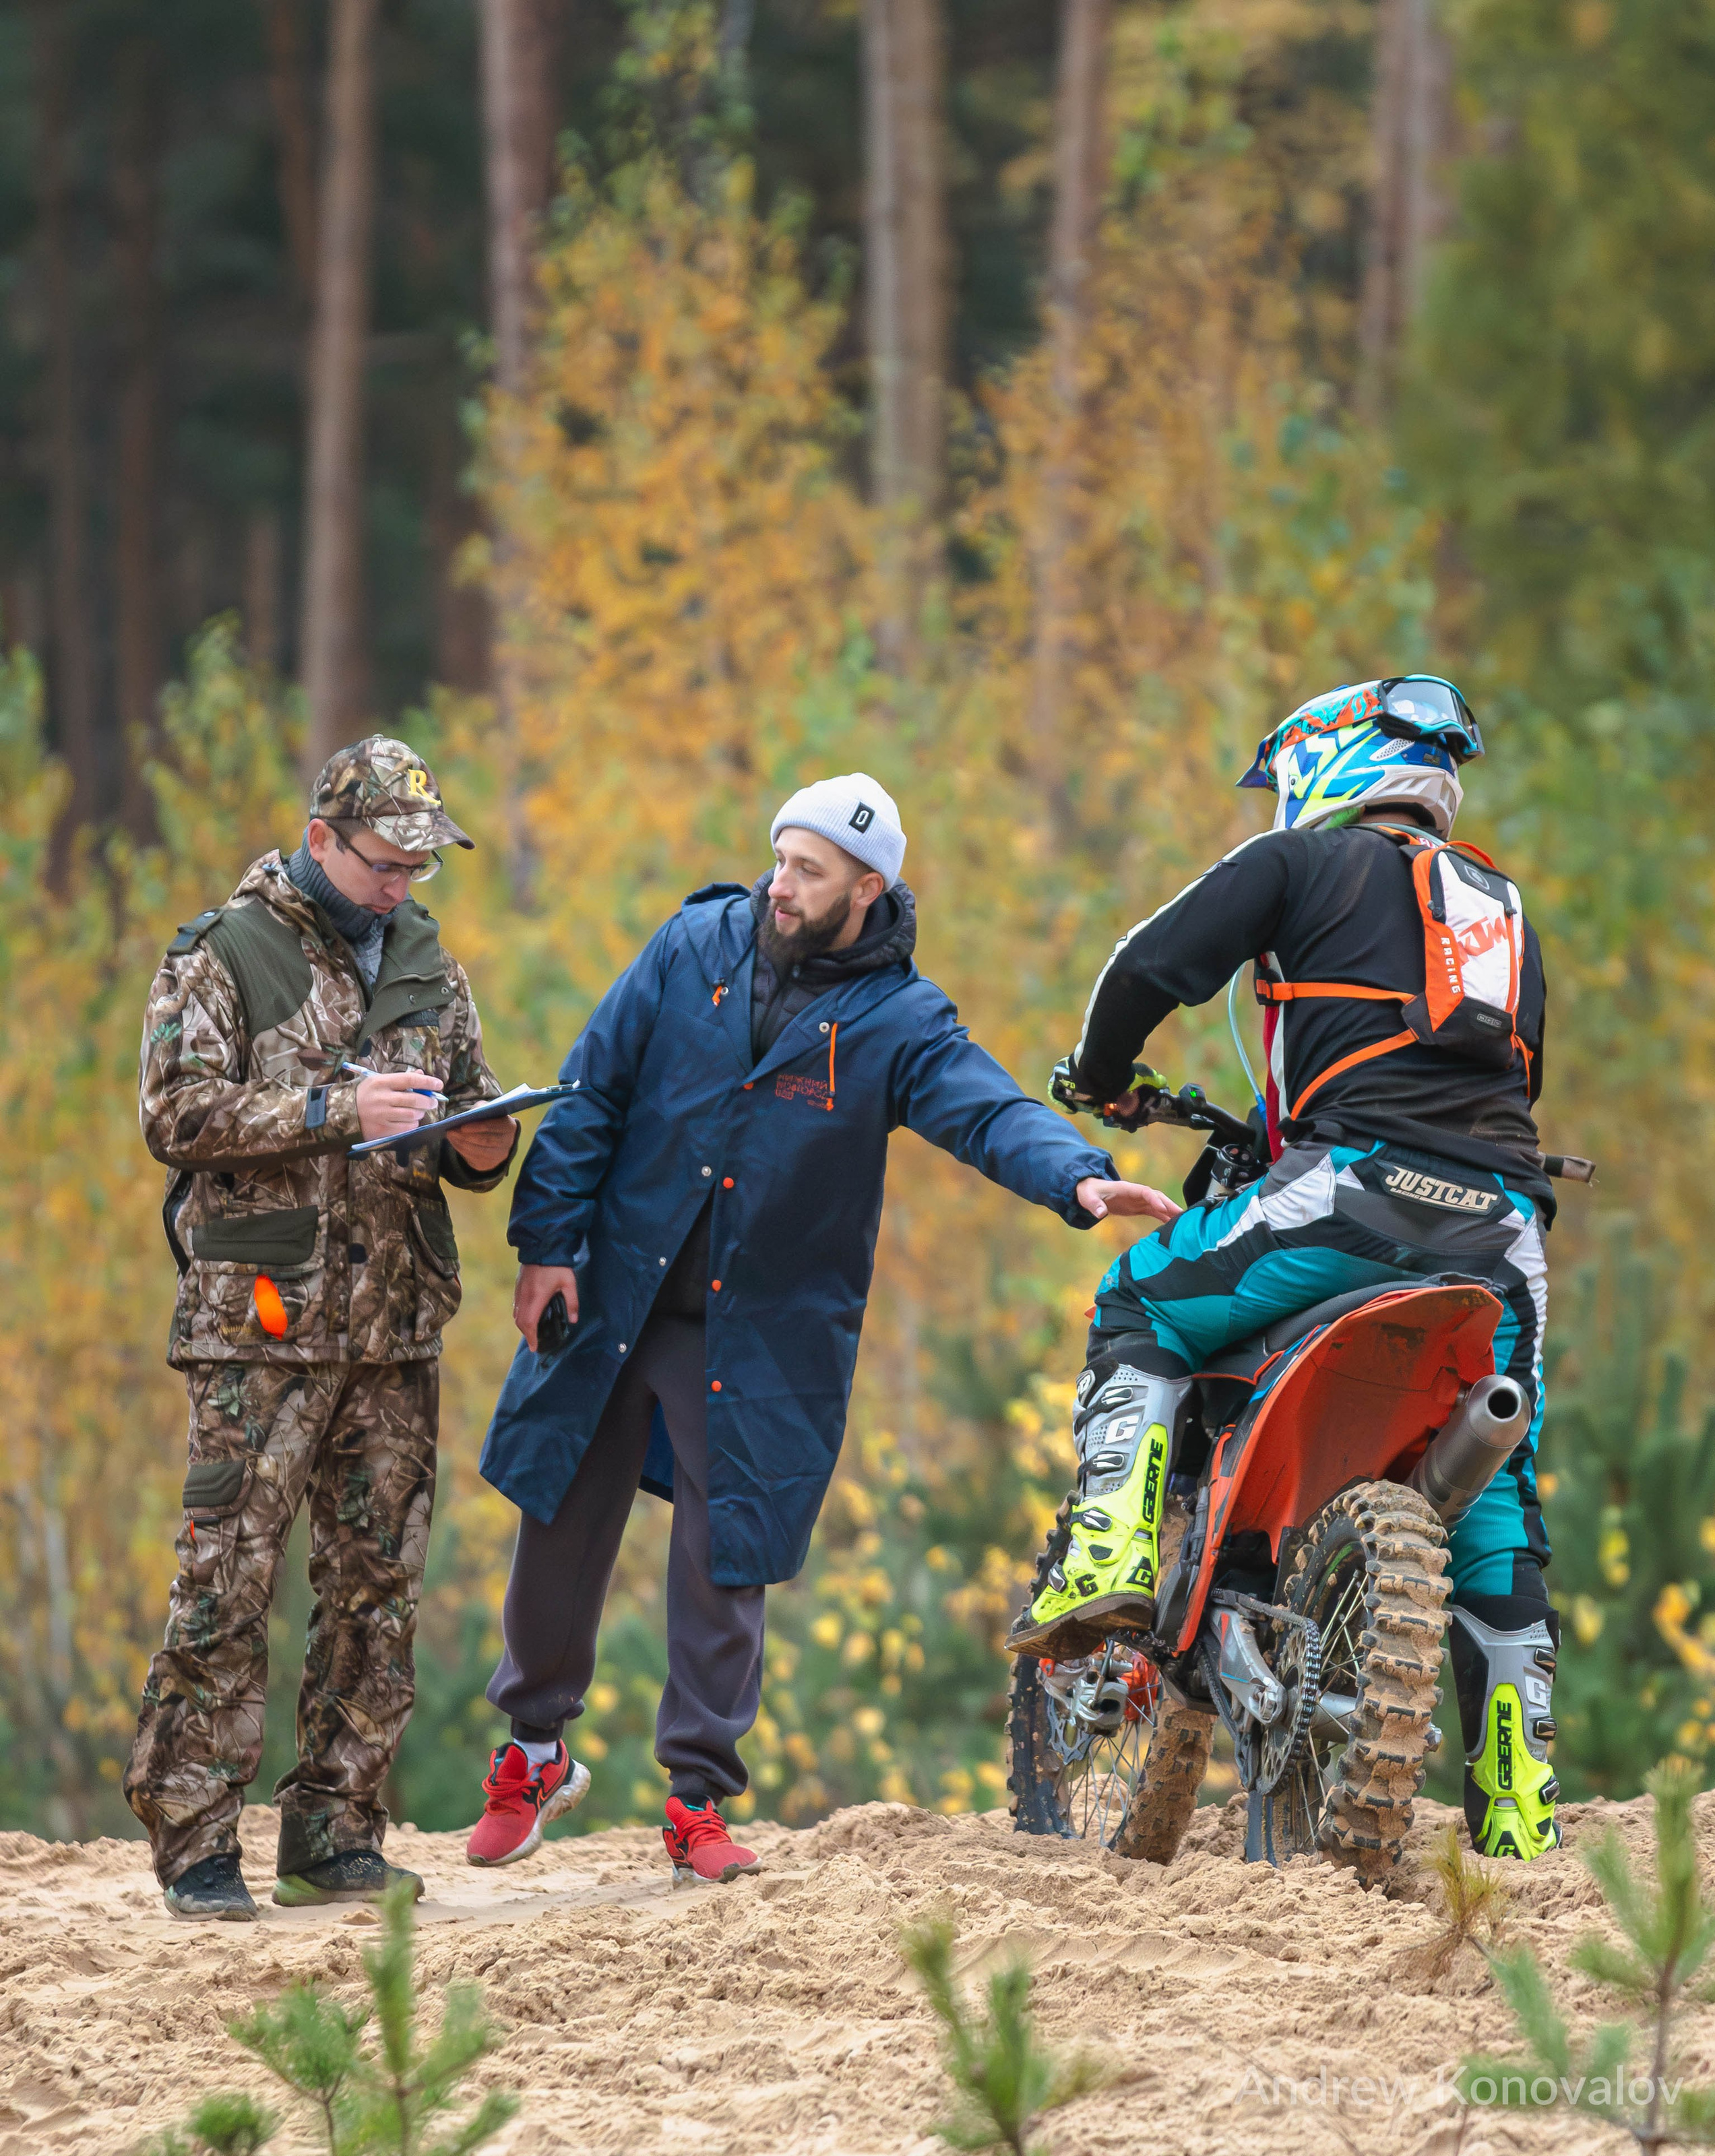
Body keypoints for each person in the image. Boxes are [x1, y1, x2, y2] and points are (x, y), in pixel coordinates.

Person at [466, 773, 1177, 1878]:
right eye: (780, 860)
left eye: (809, 871)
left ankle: (695, 1801)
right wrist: (546, 1245)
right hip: (615, 1295)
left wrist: (1076, 1179)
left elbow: (986, 1107)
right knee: (557, 1514)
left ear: (866, 888)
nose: (781, 886)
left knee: (726, 1555)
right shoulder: (693, 947)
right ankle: (533, 1750)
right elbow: (591, 1090)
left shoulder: (900, 1019)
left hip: (759, 1334)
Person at [1007, 677, 1563, 1862]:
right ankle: (1520, 1804)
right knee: (1501, 1495)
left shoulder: (1300, 863)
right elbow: (1511, 1074)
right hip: (1504, 1231)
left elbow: (1146, 966)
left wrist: (1101, 1079)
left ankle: (1106, 1553)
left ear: (1329, 763)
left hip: (1355, 1191)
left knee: (1140, 1298)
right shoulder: (1503, 912)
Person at [126, 737, 520, 1920]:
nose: (401, 884)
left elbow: (466, 1110)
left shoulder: (430, 969)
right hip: (260, 1324)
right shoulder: (223, 954)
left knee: (376, 1591)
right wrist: (338, 1107)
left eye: (418, 866)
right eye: (384, 861)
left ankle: (337, 1835)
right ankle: (197, 1844)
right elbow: (175, 1113)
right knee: (226, 1582)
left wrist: (482, 1145)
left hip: (394, 1330)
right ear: (320, 840)